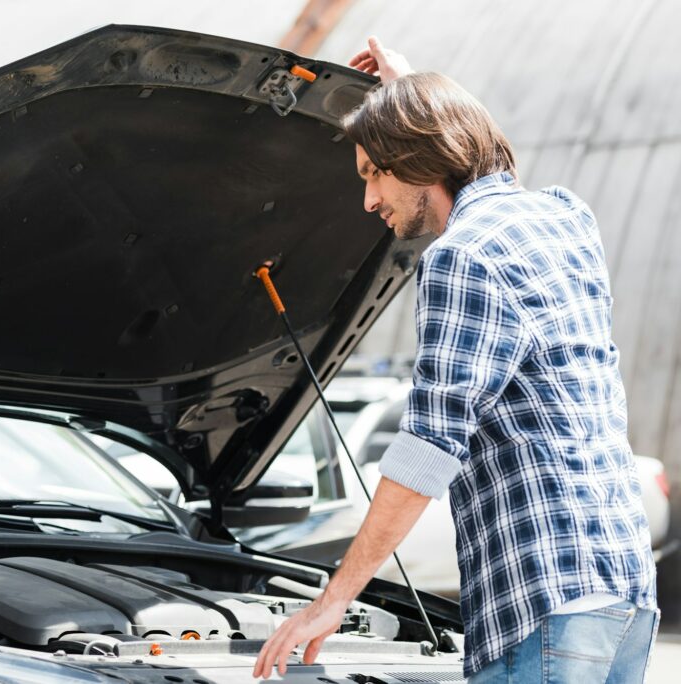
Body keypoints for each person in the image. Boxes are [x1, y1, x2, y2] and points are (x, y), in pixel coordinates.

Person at [253, 37, 658, 682]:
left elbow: (427, 449)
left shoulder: (460, 257)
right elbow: (475, 162)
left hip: (542, 598)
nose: (367, 201)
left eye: (371, 173)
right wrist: (411, 91)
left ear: (415, 156)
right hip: (622, 587)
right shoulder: (564, 219)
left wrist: (331, 603)